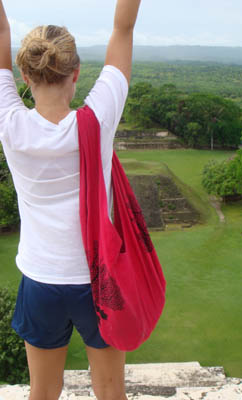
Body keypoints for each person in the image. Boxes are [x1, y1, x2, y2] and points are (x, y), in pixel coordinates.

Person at [0, 0, 141, 399]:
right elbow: (124, 29)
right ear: (76, 73)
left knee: (42, 392)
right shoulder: (96, 121)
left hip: (40, 278)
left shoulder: (10, 125)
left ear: (25, 75)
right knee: (111, 390)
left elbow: (0, 34)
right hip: (98, 279)